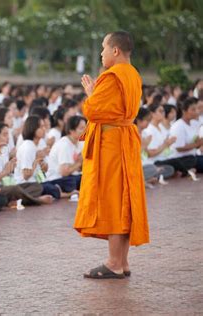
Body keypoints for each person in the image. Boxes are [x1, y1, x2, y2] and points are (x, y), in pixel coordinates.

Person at [74, 31, 149, 279]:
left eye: (104, 48)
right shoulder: (133, 74)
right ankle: (123, 262)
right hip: (124, 139)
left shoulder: (112, 75)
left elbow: (93, 110)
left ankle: (114, 262)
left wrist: (91, 94)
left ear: (115, 51)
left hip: (112, 145)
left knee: (114, 200)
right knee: (124, 199)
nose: (101, 53)